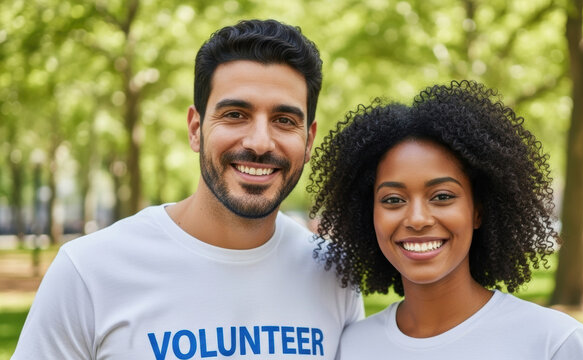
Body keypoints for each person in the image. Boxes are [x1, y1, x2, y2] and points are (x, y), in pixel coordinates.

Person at [13, 19, 363, 360]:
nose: (259, 142)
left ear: (309, 140)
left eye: (284, 120)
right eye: (235, 114)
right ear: (196, 129)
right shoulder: (89, 272)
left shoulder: (336, 275)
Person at [308, 80, 583, 359]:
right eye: (393, 200)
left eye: (442, 196)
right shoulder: (351, 347)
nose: (418, 219)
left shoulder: (553, 342)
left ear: (478, 211)